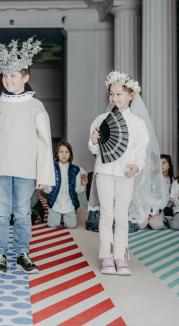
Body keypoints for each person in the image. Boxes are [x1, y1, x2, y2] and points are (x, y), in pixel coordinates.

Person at [0, 38, 55, 275]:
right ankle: (0, 254)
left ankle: (23, 253)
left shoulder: (36, 106)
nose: (9, 80)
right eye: (5, 76)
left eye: (14, 75)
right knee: (0, 212)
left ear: (25, 77)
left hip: (25, 170)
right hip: (0, 168)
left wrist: (43, 174)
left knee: (22, 213)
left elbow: (44, 142)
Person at [89, 71, 165, 276]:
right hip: (104, 172)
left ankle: (120, 257)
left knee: (121, 215)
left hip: (126, 175)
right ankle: (106, 256)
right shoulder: (101, 119)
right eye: (112, 94)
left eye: (119, 94)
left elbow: (141, 154)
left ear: (131, 95)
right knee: (106, 214)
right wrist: (94, 142)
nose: (115, 98)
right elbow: (95, 150)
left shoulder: (138, 124)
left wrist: (137, 167)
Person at [44, 142, 88, 229]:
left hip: (69, 205)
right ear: (56, 154)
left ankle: (67, 215)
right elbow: (48, 190)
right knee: (52, 225)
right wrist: (44, 185)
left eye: (67, 152)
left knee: (71, 225)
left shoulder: (76, 170)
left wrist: (83, 185)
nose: (64, 154)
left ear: (70, 154)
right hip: (55, 204)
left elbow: (79, 191)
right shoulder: (51, 169)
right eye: (61, 152)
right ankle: (56, 214)